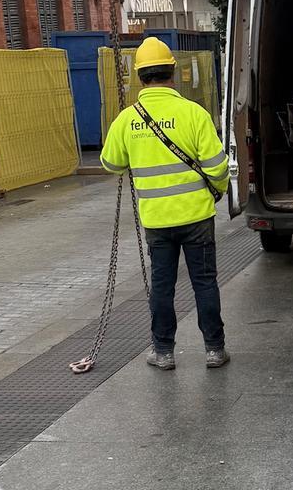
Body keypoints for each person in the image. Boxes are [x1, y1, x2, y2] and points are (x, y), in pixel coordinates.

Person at [100, 37, 231, 371]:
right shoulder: (194, 113)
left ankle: (163, 352)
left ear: (140, 77)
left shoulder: (127, 119)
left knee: (162, 286)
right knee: (204, 283)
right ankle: (214, 350)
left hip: (157, 221)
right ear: (173, 72)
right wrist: (215, 191)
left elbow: (110, 162)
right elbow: (217, 165)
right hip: (197, 217)